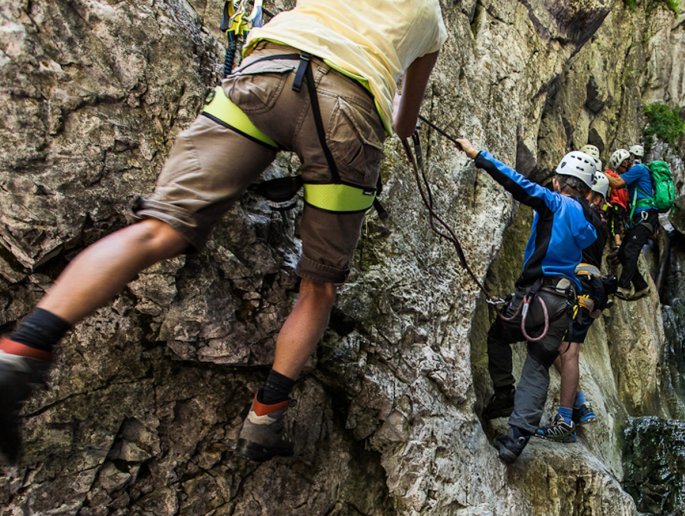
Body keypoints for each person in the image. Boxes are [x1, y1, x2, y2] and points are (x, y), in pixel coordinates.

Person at [0, 0, 447, 464]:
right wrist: (390, 90)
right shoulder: (432, 23)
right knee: (319, 287)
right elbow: (404, 123)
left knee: (160, 228)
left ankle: (23, 347)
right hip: (348, 116)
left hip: (266, 71)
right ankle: (261, 423)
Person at [463, 142, 597, 463]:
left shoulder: (553, 202)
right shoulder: (591, 223)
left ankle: (505, 393)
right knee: (537, 364)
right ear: (585, 190)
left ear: (558, 182)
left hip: (537, 295)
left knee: (498, 335)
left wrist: (479, 156)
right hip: (564, 304)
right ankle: (515, 440)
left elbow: (517, 184)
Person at [536, 171, 613, 443]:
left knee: (567, 352)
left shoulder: (580, 212)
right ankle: (578, 404)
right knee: (555, 344)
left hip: (578, 287)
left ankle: (566, 419)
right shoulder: (601, 220)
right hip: (592, 288)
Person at [608, 147, 658, 299]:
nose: (621, 172)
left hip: (646, 216)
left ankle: (623, 286)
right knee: (623, 254)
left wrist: (599, 173)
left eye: (621, 167)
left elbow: (616, 183)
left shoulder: (638, 169)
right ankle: (641, 286)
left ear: (625, 162)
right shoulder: (635, 173)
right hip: (638, 219)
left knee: (630, 250)